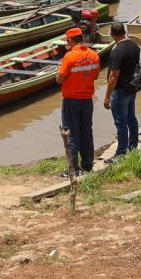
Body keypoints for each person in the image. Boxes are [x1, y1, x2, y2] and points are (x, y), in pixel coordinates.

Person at [56, 27, 101, 174]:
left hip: (71, 100)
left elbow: (60, 78)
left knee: (71, 134)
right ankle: (87, 165)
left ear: (70, 40)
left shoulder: (69, 57)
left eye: (67, 41)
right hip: (87, 100)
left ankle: (73, 169)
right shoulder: (94, 55)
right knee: (86, 132)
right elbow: (95, 76)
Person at [102, 21, 141, 159]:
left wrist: (107, 97)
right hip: (131, 89)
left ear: (112, 34)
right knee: (131, 118)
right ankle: (133, 146)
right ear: (124, 32)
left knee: (121, 122)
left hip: (119, 91)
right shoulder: (135, 46)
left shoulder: (117, 51)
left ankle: (121, 153)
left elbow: (114, 76)